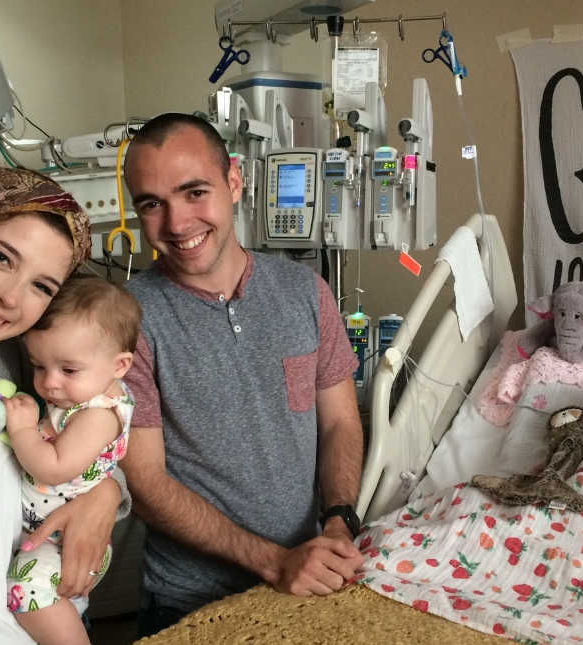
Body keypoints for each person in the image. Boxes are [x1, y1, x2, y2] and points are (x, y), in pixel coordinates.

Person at [119, 113, 365, 637]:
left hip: (307, 582)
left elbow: (339, 422)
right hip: (189, 602)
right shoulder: (127, 321)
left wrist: (341, 518)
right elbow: (145, 482)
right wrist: (275, 562)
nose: (177, 223)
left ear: (234, 182)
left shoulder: (306, 293)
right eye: (151, 204)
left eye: (194, 192)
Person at [0, 165, 130, 645]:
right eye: (0, 257)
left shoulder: (11, 368)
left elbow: (85, 447)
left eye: (42, 287)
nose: (10, 298)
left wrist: (106, 493)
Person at [3, 274, 140, 645]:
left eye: (67, 370)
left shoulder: (97, 414)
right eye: (38, 365)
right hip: (48, 532)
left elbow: (54, 466)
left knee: (26, 587)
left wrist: (21, 430)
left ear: (119, 366)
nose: (48, 383)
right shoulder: (81, 393)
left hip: (66, 540)